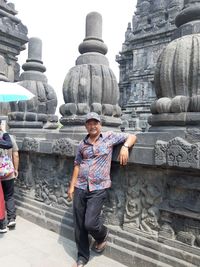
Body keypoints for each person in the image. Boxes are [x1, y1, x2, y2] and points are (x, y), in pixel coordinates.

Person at [68, 112, 137, 267]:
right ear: (86, 126)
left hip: (99, 187)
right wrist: (72, 186)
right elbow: (77, 165)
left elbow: (132, 136)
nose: (92, 126)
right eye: (89, 123)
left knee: (90, 223)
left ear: (100, 124)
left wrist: (125, 147)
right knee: (79, 224)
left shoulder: (109, 137)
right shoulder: (82, 144)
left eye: (95, 123)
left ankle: (102, 234)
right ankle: (82, 257)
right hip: (80, 186)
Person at [0, 120, 19, 231]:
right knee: (9, 195)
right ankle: (11, 218)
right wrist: (16, 169)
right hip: (8, 172)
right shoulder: (9, 137)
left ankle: (2, 221)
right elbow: (15, 154)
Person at [0, 124, 13, 233]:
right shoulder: (4, 137)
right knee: (7, 196)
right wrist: (4, 131)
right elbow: (9, 144)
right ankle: (3, 224)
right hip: (6, 172)